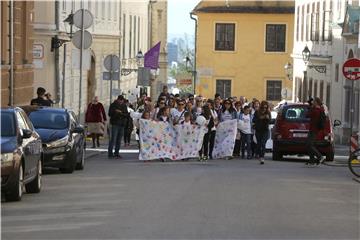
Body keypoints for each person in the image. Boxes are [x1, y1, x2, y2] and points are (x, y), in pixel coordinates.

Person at [306, 97, 326, 165]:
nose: (312, 102)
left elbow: (307, 115)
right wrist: (311, 106)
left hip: (313, 130)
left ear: (316, 102)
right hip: (314, 129)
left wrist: (310, 107)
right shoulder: (320, 109)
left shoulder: (316, 110)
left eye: (314, 101)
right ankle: (312, 160)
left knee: (309, 145)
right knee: (309, 145)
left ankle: (320, 157)